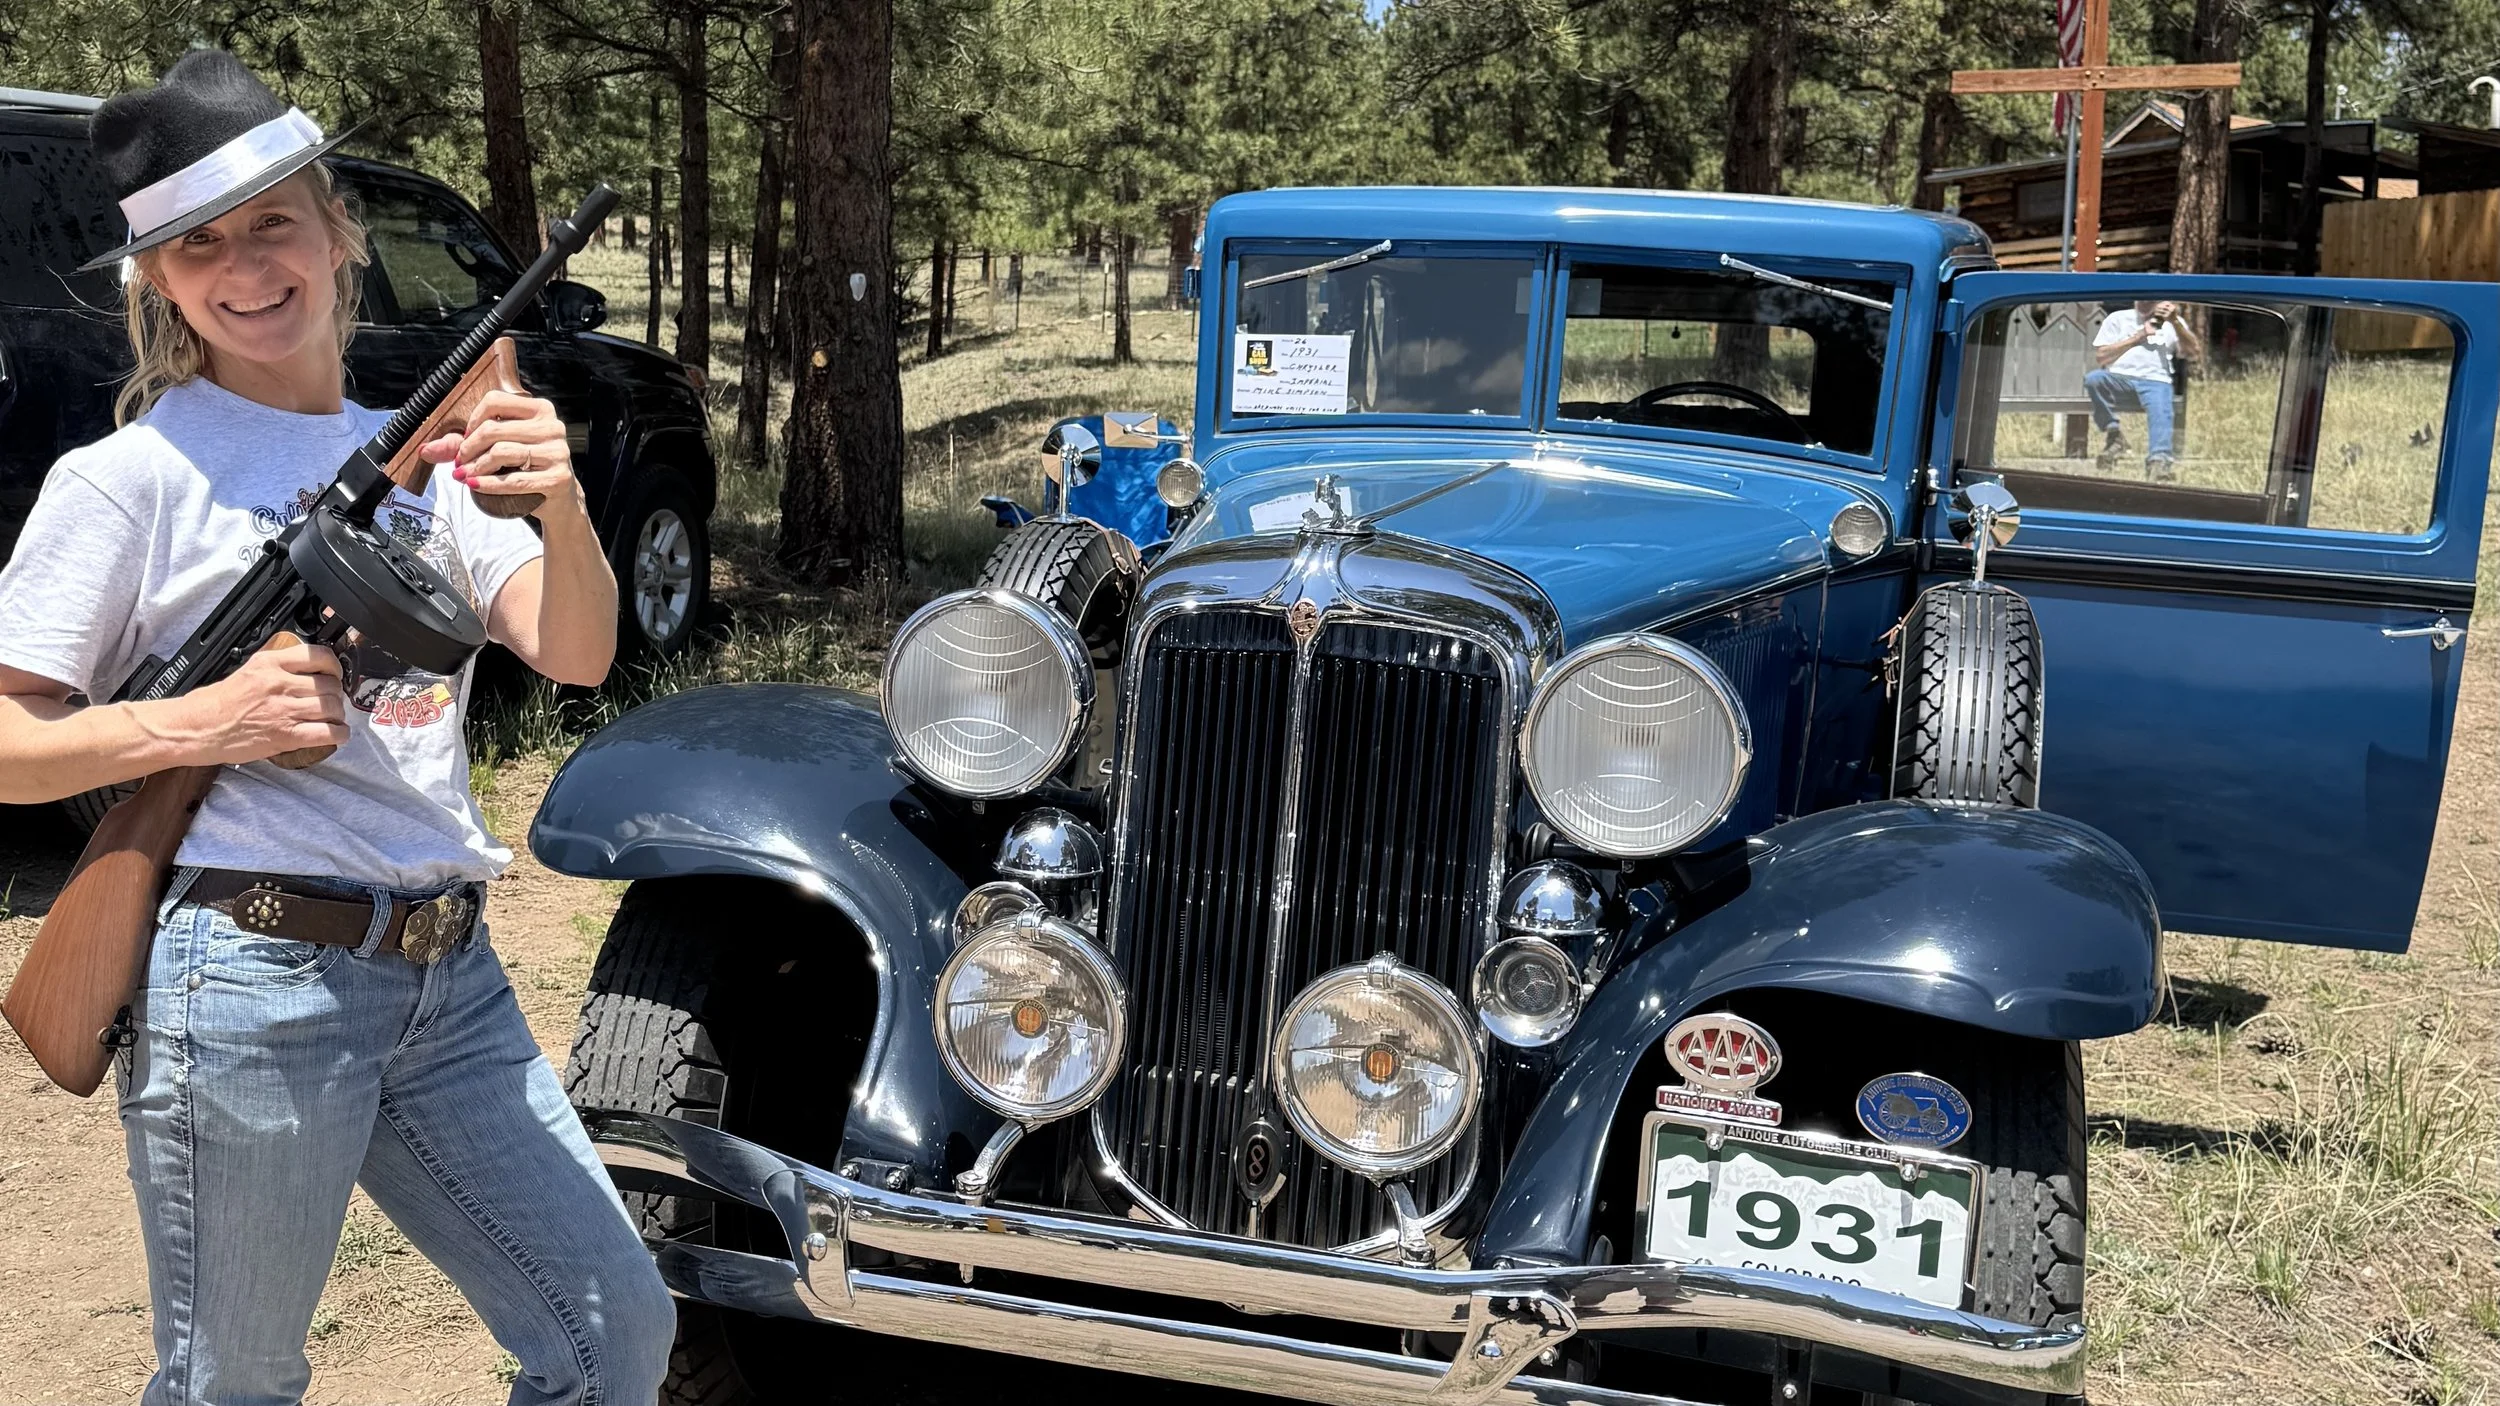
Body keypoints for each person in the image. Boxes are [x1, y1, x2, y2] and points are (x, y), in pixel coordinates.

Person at [0, 51, 673, 1405]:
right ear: (157, 282)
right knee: (233, 1385)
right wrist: (201, 718)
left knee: (615, 1335)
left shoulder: (425, 454)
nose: (244, 268)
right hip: (253, 978)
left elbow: (580, 647)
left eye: (271, 224)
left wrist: (561, 501)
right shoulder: (131, 479)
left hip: (452, 975)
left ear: (335, 230)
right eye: (198, 246)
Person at [2086, 298, 2201, 481]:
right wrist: (2137, 338)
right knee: (2093, 380)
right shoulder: (2118, 318)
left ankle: (2159, 460)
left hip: (2155, 380)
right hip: (2120, 379)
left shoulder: (2173, 323)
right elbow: (2101, 357)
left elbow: (2193, 352)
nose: (2147, 303)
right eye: (2143, 298)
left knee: (2162, 406)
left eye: (2152, 299)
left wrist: (2175, 321)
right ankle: (2114, 435)